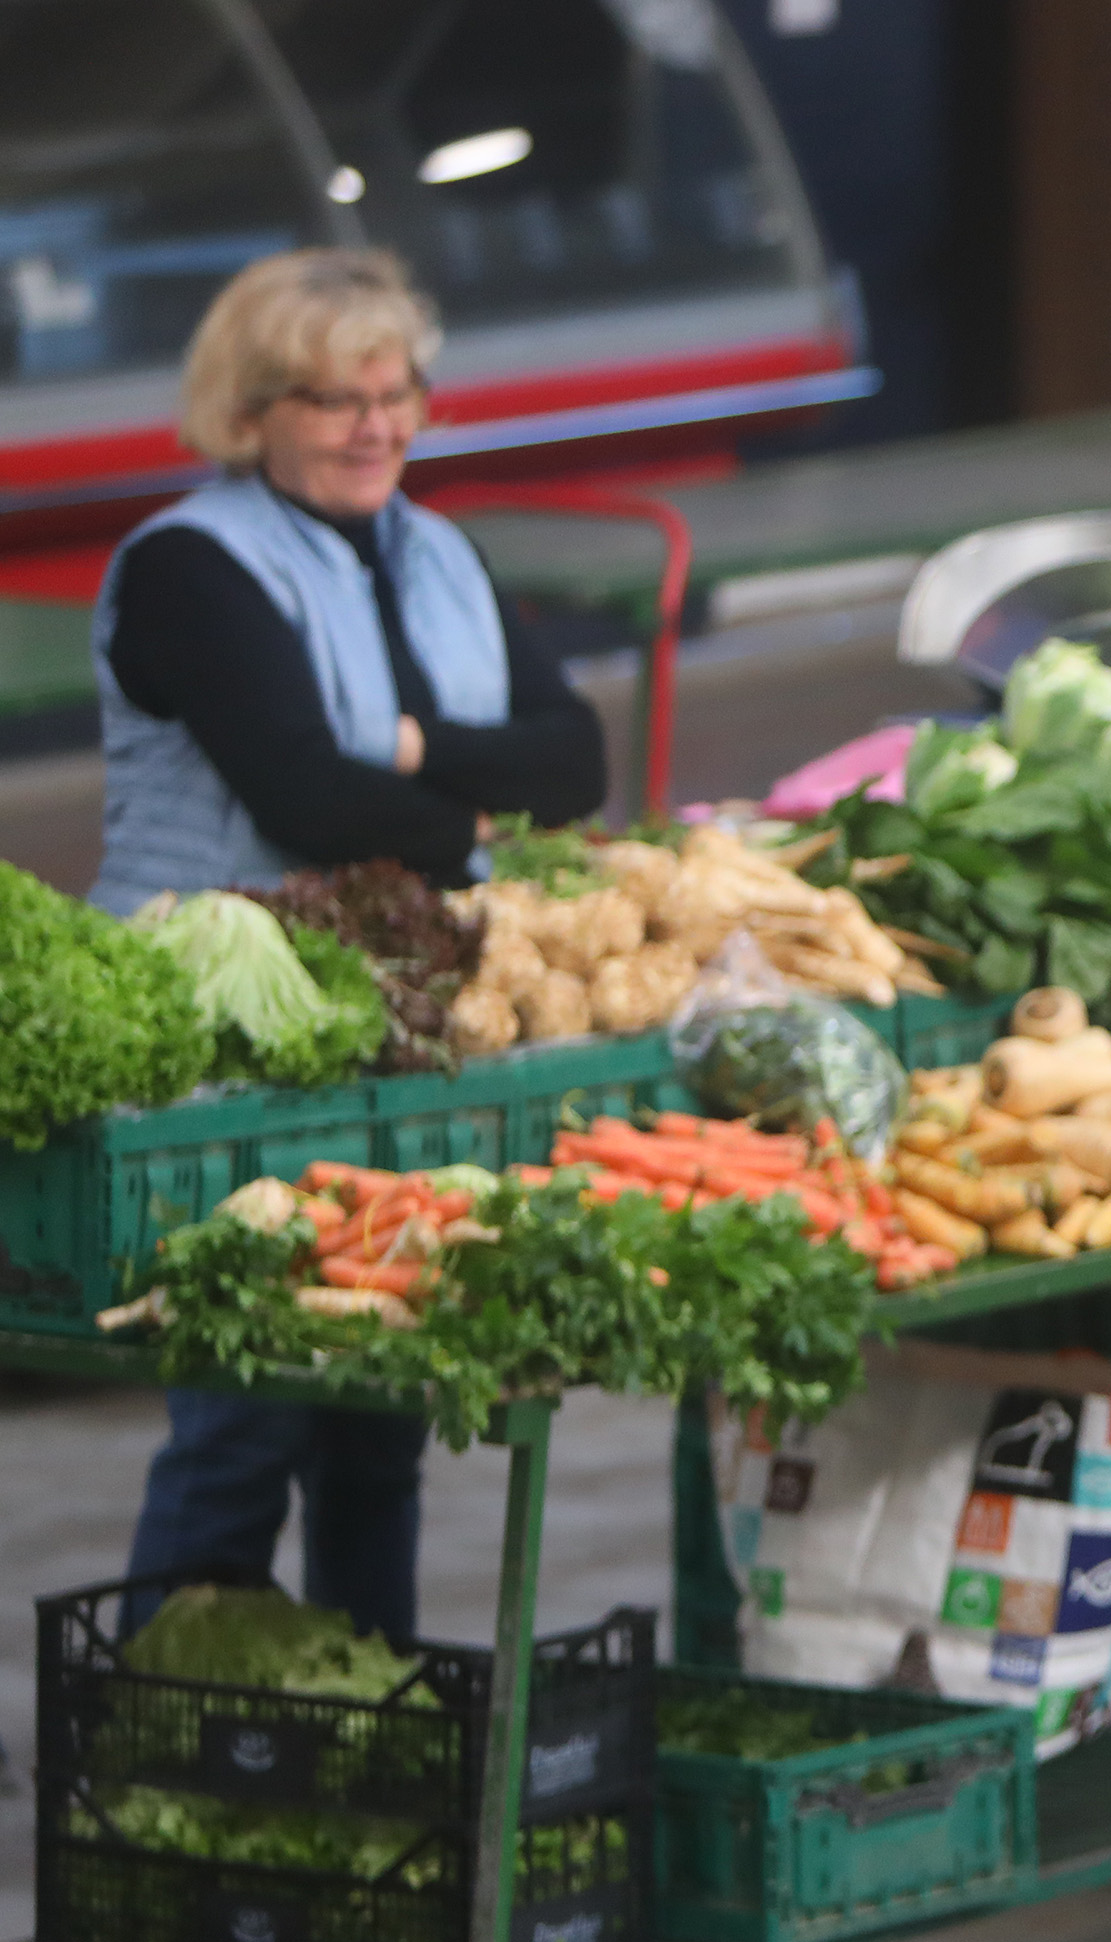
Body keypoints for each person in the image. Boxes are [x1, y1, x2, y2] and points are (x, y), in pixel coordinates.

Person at [93, 247, 606, 1644]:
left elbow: (580, 762)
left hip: (399, 1027)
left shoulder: (440, 551)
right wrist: (466, 790)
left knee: (381, 1421)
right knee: (243, 1417)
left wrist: (415, 750)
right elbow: (306, 801)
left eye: (399, 392)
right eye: (334, 398)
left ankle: (364, 1714)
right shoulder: (189, 570)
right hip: (227, 1048)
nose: (377, 424)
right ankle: (163, 1731)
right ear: (251, 410)